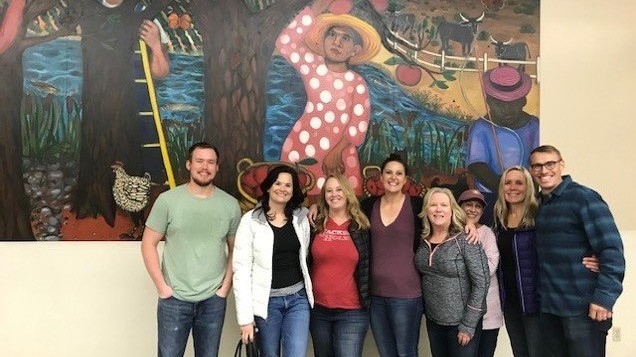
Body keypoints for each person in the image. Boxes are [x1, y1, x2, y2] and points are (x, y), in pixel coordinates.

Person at [141, 142, 241, 357]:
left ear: (217, 167)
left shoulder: (230, 205)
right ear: (189, 164)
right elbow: (148, 243)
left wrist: (224, 288)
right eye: (200, 161)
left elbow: (236, 250)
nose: (205, 167)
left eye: (211, 162)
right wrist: (162, 287)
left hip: (212, 300)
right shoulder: (168, 201)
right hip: (174, 299)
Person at [276, 0, 381, 195]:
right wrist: (316, 9)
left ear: (355, 50)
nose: (337, 42)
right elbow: (285, 42)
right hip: (302, 145)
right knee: (296, 198)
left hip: (340, 155)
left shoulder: (357, 82)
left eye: (346, 38)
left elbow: (358, 126)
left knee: (341, 204)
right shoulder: (313, 66)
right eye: (331, 34)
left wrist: (337, 152)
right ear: (323, 41)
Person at [529, 145, 625, 357]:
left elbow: (611, 250)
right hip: (550, 308)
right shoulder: (539, 205)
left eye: (550, 164)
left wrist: (604, 298)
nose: (544, 171)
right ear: (532, 170)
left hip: (583, 309)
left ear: (561, 164)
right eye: (537, 166)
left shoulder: (584, 198)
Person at [233, 165, 314, 357]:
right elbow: (241, 270)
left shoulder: (301, 218)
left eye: (288, 185)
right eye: (278, 183)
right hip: (267, 303)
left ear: (293, 191)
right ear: (268, 187)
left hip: (298, 300)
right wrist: (245, 319)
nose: (282, 188)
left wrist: (315, 206)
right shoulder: (251, 221)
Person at [415, 187, 489, 357]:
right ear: (426, 209)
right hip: (434, 322)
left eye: (444, 205)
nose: (438, 209)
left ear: (452, 210)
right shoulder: (422, 239)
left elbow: (482, 282)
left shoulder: (466, 238)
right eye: (433, 205)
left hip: (461, 324)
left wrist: (469, 324)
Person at [466, 65, 539, 225]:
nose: (506, 110)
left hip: (525, 196)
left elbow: (537, 163)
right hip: (490, 195)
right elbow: (477, 165)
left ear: (523, 101)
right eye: (500, 104)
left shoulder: (534, 126)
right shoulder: (481, 127)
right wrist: (501, 188)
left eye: (512, 103)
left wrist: (527, 192)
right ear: (489, 102)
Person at [309, 174, 371, 357]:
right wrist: (311, 206)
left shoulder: (361, 227)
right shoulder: (315, 224)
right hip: (318, 310)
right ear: (324, 196)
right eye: (329, 190)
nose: (334, 194)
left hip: (352, 311)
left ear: (347, 193)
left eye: (338, 189)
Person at [493, 166, 543, 357]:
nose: (513, 187)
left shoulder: (538, 217)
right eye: (508, 182)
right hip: (510, 303)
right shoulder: (499, 220)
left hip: (535, 303)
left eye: (519, 182)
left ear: (528, 187)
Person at [458, 189, 503, 357]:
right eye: (468, 204)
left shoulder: (487, 233)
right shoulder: (453, 232)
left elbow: (490, 267)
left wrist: (459, 276)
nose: (473, 209)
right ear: (459, 207)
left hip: (488, 312)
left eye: (478, 206)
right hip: (462, 314)